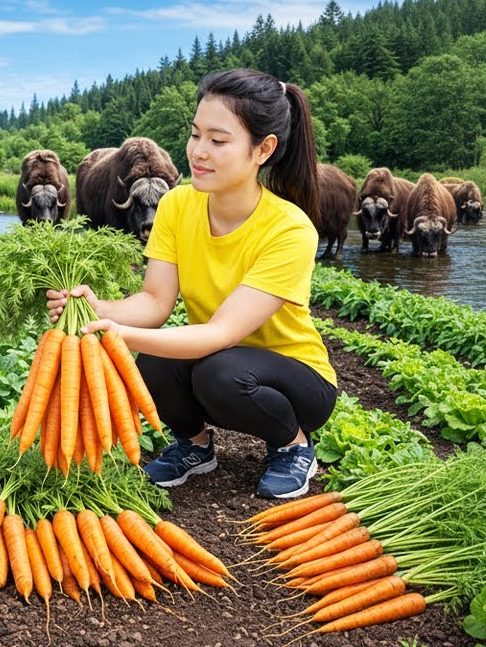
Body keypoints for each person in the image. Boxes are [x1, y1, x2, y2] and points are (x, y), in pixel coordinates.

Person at [47, 68, 338, 500]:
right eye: (195, 135)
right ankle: (195, 446)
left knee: (220, 370)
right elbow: (154, 301)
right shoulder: (177, 204)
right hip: (222, 357)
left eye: (218, 141)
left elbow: (221, 333)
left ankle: (293, 446)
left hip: (297, 380)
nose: (198, 152)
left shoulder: (289, 230)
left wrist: (121, 335)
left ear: (264, 149)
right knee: (155, 363)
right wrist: (98, 308)